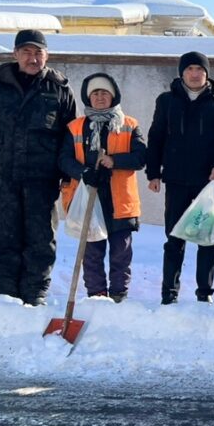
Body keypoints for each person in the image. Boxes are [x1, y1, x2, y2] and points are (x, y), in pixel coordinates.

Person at [0, 29, 77, 306]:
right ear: (15, 54)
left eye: (38, 52)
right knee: (4, 237)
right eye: (26, 52)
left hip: (43, 178)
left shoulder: (59, 88)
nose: (32, 58)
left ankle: (35, 292)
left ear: (46, 55)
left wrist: (67, 173)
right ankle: (5, 292)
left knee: (41, 238)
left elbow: (70, 136)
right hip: (1, 175)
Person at [146, 51, 214, 304]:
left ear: (207, 73)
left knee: (207, 239)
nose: (194, 74)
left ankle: (204, 293)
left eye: (199, 69)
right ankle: (169, 293)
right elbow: (156, 139)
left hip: (206, 182)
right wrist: (153, 173)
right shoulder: (166, 101)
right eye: (189, 69)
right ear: (181, 73)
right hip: (175, 179)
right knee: (174, 238)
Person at [59, 73, 146, 303]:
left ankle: (118, 295)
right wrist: (83, 172)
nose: (99, 97)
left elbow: (140, 157)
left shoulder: (129, 124)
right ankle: (96, 295)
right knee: (92, 253)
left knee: (121, 254)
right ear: (88, 97)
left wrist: (114, 161)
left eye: (104, 93)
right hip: (88, 198)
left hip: (119, 201)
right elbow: (63, 159)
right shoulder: (75, 127)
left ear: (113, 96)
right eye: (95, 93)